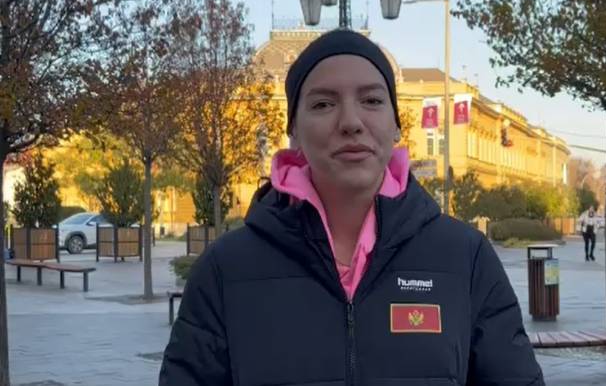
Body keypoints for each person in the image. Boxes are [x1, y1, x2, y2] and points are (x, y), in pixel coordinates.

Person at [159, 30, 544, 386]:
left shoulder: (465, 258)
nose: (351, 122)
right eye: (323, 104)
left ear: (396, 124)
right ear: (294, 131)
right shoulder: (225, 270)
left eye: (372, 101)